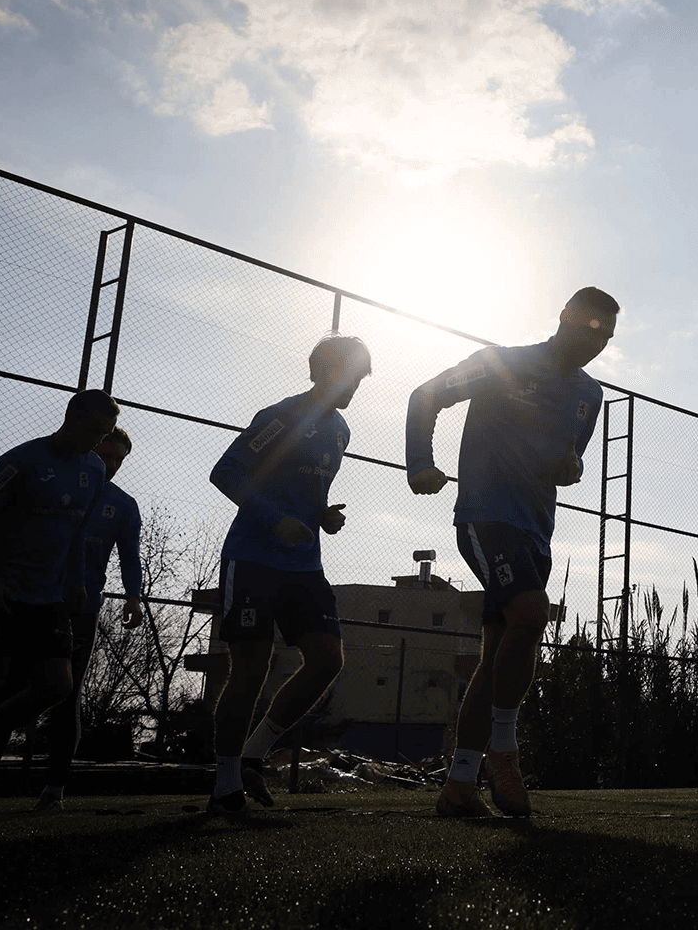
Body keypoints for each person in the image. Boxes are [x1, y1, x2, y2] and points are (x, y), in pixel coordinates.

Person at [407, 288, 617, 818]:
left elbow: (567, 461)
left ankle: (458, 786)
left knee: (494, 660)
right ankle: (504, 753)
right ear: (565, 315)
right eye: (591, 328)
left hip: (534, 530)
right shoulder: (503, 362)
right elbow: (425, 394)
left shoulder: (590, 397)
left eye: (607, 337)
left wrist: (570, 470)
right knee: (529, 613)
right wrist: (419, 462)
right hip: (485, 514)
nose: (597, 343)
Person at [206, 336, 370, 815]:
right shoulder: (279, 417)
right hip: (254, 558)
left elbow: (305, 492)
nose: (356, 387)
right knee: (250, 669)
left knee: (326, 660)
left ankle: (254, 756)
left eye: (361, 379)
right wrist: (275, 519)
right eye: (350, 376)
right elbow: (226, 473)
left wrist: (322, 514)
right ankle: (225, 784)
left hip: (304, 566)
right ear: (322, 371)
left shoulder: (340, 430)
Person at [0, 389, 119, 820]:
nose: (96, 441)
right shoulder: (19, 461)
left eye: (103, 433)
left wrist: (77, 580)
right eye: (92, 430)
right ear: (70, 416)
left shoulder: (95, 469)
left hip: (49, 598)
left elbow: (79, 533)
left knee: (57, 686)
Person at [0, 426, 145, 813]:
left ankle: (54, 790)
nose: (111, 464)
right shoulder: (55, 483)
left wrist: (133, 596)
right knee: (9, 687)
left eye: (119, 459)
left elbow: (130, 555)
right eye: (106, 454)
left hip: (81, 609)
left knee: (67, 695)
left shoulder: (123, 505)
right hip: (31, 600)